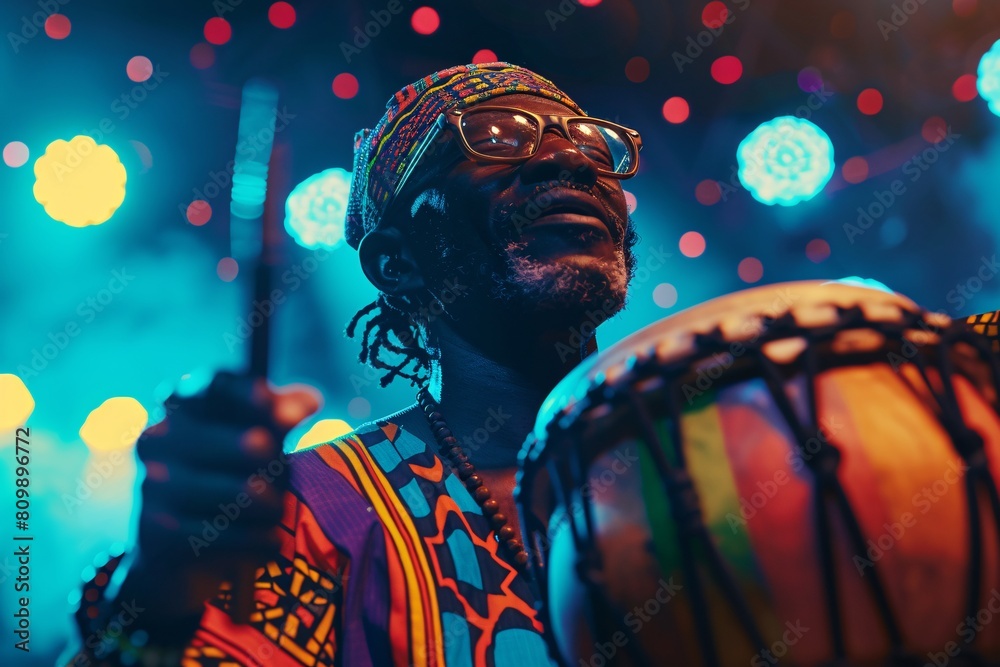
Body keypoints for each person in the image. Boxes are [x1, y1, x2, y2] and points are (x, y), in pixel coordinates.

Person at [63, 61, 643, 666]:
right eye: (497, 137)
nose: (572, 160)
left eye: (591, 142)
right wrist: (160, 599)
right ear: (398, 263)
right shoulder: (307, 514)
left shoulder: (713, 453)